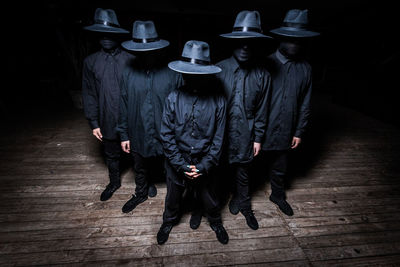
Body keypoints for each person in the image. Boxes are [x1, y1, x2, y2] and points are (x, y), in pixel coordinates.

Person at [157, 40, 229, 245]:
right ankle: (168, 222)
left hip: (207, 160)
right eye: (190, 72)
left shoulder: (219, 101)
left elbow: (219, 139)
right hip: (176, 160)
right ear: (183, 73)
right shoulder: (173, 97)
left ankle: (215, 222)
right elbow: (166, 135)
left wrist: (204, 166)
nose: (194, 77)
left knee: (211, 198)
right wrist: (181, 165)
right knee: (172, 198)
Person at [118, 20, 182, 213]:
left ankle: (175, 203)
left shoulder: (172, 72)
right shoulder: (128, 71)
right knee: (140, 166)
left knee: (171, 168)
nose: (145, 53)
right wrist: (123, 134)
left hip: (167, 131)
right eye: (140, 49)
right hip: (137, 129)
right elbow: (123, 102)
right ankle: (141, 193)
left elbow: (182, 104)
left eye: (150, 49)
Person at [216, 10, 272, 230]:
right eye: (241, 42)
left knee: (243, 171)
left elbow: (262, 109)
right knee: (219, 171)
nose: (245, 47)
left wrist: (258, 137)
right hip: (221, 134)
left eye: (250, 43)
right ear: (233, 42)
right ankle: (211, 206)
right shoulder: (218, 69)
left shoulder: (263, 74)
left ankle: (243, 202)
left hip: (247, 132)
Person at [261, 9, 320, 216]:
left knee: (280, 166)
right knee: (249, 165)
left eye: (299, 40)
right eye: (290, 39)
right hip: (262, 128)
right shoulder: (264, 64)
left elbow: (305, 103)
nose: (294, 44)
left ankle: (277, 195)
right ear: (281, 38)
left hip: (287, 127)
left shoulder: (306, 69)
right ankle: (242, 199)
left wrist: (299, 131)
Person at [82, 8, 134, 201]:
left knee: (137, 153)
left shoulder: (130, 59)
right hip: (106, 117)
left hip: (130, 117)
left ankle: (145, 184)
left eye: (109, 33)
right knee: (111, 153)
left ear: (117, 35)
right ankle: (114, 182)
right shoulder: (90, 62)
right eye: (101, 34)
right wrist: (93, 121)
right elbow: (89, 93)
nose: (105, 38)